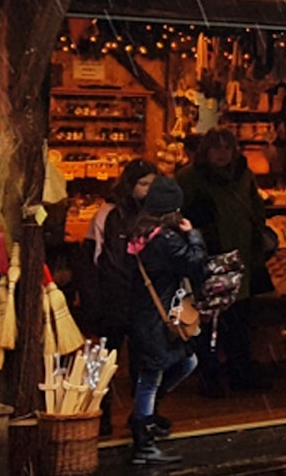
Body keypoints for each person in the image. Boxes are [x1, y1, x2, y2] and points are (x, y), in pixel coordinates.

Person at [176, 127, 270, 396]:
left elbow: (256, 208)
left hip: (241, 259)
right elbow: (177, 217)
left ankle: (242, 375)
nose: (221, 154)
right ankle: (210, 378)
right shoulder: (190, 178)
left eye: (227, 148)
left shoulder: (244, 176)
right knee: (209, 321)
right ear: (206, 151)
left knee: (239, 321)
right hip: (210, 260)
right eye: (216, 148)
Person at [125, 176, 208, 466]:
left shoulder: (138, 233)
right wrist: (194, 235)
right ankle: (143, 442)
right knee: (152, 376)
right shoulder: (166, 239)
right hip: (157, 320)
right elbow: (196, 264)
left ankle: (143, 414)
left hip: (143, 315)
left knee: (181, 363)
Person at [84, 160, 159, 436]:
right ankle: (98, 415)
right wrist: (93, 302)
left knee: (145, 364)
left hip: (142, 299)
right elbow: (90, 260)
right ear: (130, 184)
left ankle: (141, 417)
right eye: (143, 183)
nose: (148, 190)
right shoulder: (107, 214)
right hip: (113, 297)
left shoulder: (156, 215)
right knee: (104, 362)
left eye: (152, 184)